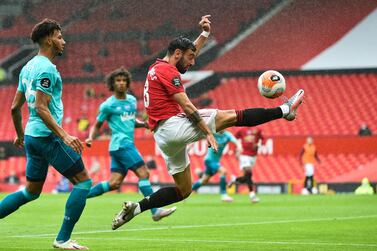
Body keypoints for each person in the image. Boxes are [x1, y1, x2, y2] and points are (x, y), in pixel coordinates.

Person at [111, 15, 305, 230]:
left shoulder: (157, 67)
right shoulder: (167, 72)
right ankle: (284, 110)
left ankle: (135, 208)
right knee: (231, 116)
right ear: (177, 54)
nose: (193, 61)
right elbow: (186, 105)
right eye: (190, 58)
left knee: (183, 190)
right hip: (173, 126)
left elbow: (188, 51)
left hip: (163, 137)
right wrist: (208, 132)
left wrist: (204, 35)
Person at [1, 19, 91, 250]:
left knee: (31, 192)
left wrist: (20, 135)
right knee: (83, 182)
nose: (63, 41)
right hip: (46, 137)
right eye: (60, 37)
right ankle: (62, 239)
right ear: (50, 38)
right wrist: (64, 136)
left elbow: (14, 108)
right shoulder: (46, 69)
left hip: (31, 137)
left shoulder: (27, 67)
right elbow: (41, 107)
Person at [85, 67, 176, 222]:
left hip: (120, 147)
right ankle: (154, 211)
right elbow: (97, 124)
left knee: (114, 183)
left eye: (124, 80)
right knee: (144, 174)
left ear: (127, 83)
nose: (121, 83)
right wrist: (90, 138)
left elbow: (130, 121)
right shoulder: (108, 105)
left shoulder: (132, 101)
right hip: (122, 145)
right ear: (112, 84)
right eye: (118, 81)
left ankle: (81, 195)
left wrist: (143, 124)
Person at [192, 130, 242, 202]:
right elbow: (199, 136)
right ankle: (224, 195)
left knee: (204, 181)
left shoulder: (227, 135)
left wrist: (239, 148)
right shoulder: (213, 133)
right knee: (223, 171)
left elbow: (237, 142)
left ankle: (186, 193)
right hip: (209, 160)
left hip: (215, 161)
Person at [228, 127, 264, 203]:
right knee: (249, 171)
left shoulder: (258, 129)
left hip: (253, 156)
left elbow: (263, 139)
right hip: (244, 154)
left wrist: (258, 145)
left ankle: (235, 180)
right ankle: (252, 196)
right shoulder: (242, 130)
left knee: (247, 176)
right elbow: (234, 139)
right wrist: (236, 150)